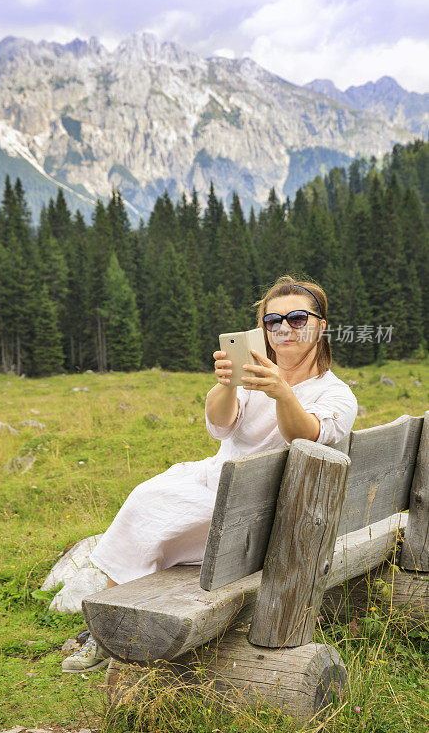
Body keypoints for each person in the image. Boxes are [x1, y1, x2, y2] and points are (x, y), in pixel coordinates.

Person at [61, 275, 358, 672]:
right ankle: (112, 632)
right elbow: (219, 426)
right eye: (273, 321)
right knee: (144, 500)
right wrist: (227, 385)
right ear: (262, 330)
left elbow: (306, 437)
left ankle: (111, 638)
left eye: (298, 318)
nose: (285, 328)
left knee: (152, 514)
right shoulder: (252, 375)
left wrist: (282, 392)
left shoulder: (335, 394)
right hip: (217, 479)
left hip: (263, 507)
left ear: (321, 326)